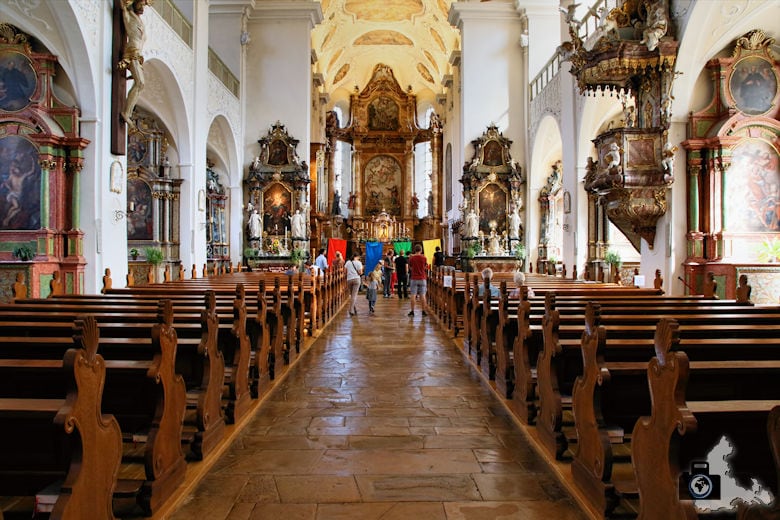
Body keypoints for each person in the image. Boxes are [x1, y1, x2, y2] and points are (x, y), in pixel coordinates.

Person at [119, 0, 148, 128]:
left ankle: (128, 113)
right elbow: (122, 7)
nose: (142, 7)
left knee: (141, 84)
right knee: (140, 83)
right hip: (132, 53)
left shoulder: (139, 21)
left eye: (144, 5)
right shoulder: (128, 15)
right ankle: (127, 113)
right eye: (141, 4)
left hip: (137, 54)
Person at [407, 244, 428, 317]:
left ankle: (412, 311)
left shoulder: (411, 258)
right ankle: (423, 311)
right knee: (423, 295)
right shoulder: (424, 258)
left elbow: (410, 267)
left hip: (414, 278)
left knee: (413, 295)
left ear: (414, 250)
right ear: (421, 250)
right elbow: (425, 267)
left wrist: (414, 270)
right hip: (422, 278)